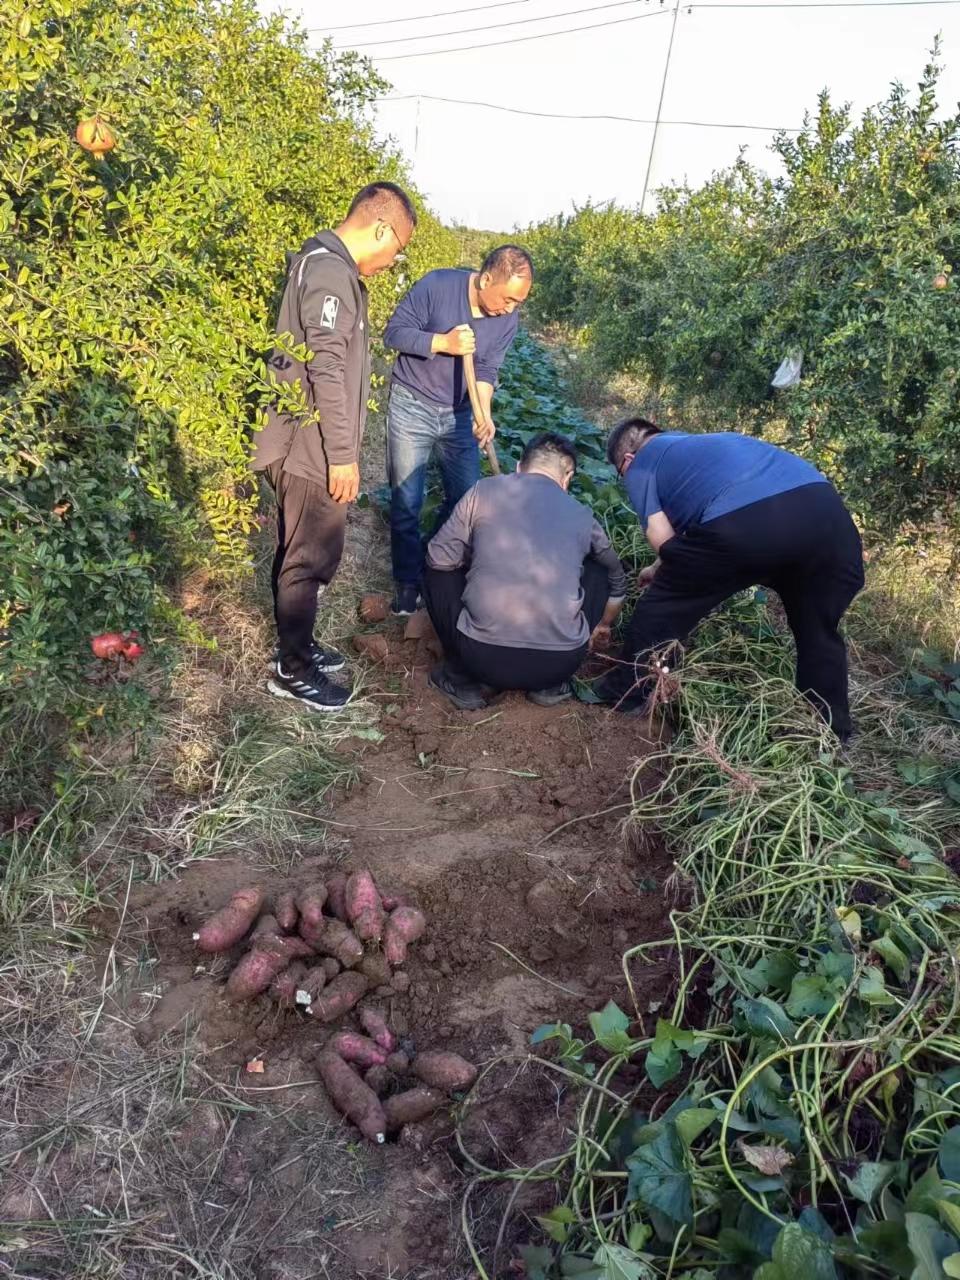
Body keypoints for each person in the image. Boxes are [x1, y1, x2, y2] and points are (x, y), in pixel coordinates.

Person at [251, 182, 416, 712]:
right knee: (309, 557)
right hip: (310, 446)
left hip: (306, 438)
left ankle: (296, 645)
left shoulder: (325, 264)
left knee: (298, 550)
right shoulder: (329, 272)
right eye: (397, 250)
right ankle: (293, 670)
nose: (392, 263)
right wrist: (341, 455)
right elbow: (325, 366)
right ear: (381, 228)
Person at [595, 419, 865, 740]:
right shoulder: (702, 445)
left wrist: (669, 581)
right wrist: (658, 567)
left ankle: (626, 690)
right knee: (817, 631)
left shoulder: (642, 463)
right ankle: (829, 732)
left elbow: (663, 538)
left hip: (749, 523)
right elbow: (689, 537)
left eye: (621, 473)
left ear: (627, 459)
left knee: (662, 607)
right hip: (829, 520)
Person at [422, 432, 627, 711]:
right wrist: (604, 624)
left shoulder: (483, 491)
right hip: (559, 664)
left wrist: (475, 557)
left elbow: (439, 558)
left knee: (437, 567)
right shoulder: (582, 514)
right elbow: (616, 574)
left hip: (480, 658)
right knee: (598, 568)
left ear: (519, 466)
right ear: (567, 478)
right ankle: (550, 687)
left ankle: (460, 680)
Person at [383, 244, 533, 616]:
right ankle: (407, 583)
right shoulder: (437, 286)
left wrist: (484, 412)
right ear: (486, 279)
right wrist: (443, 343)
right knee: (407, 501)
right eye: (508, 299)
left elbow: (486, 369)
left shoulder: (507, 320)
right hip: (412, 404)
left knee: (466, 500)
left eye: (518, 303)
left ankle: (431, 559)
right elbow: (394, 333)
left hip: (460, 416)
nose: (510, 309)